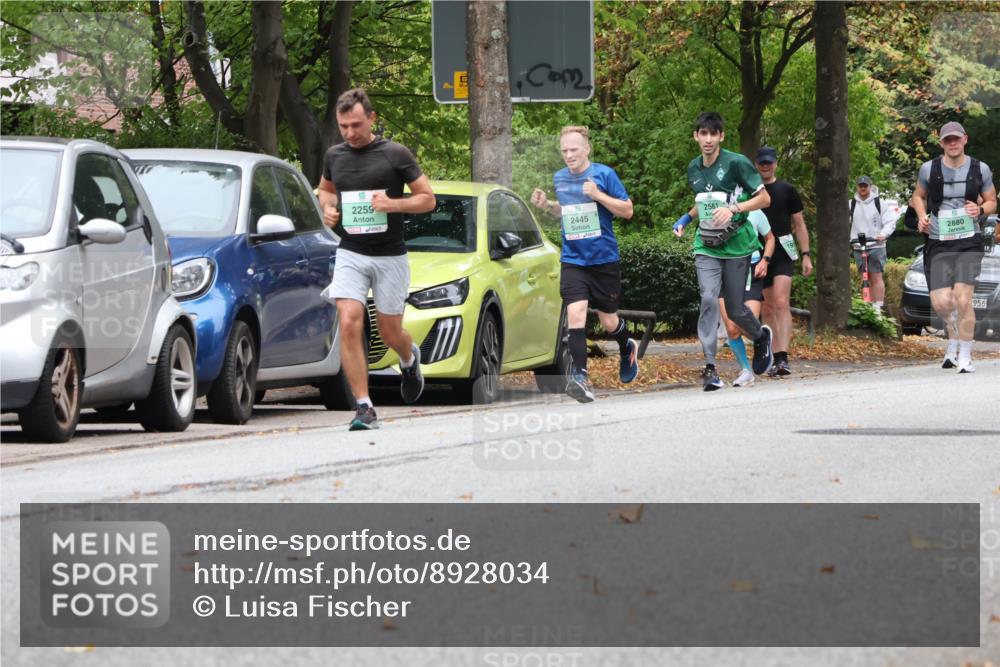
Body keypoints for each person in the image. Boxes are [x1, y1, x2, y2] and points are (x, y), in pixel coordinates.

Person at [318, 88, 436, 430]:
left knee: (389, 332)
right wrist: (327, 208)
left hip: (390, 255)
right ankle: (364, 406)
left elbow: (427, 199)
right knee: (350, 319)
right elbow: (325, 188)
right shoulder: (334, 156)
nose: (350, 133)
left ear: (371, 119)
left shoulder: (395, 154)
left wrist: (393, 204)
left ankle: (409, 357)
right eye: (344, 127)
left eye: (356, 124)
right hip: (351, 252)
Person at [531, 125, 637, 403]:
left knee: (608, 320)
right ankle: (580, 377)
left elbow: (628, 210)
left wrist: (599, 195)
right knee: (575, 314)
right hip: (573, 259)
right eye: (564, 150)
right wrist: (547, 206)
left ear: (587, 149)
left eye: (574, 149)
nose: (569, 155)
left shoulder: (604, 174)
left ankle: (627, 346)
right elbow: (565, 211)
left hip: (603, 260)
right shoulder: (560, 178)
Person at [673, 112, 774, 391]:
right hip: (706, 245)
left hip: (737, 245)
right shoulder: (694, 168)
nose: (707, 139)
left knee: (735, 310)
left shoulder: (736, 163)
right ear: (695, 136)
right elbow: (703, 203)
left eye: (712, 134)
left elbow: (765, 199)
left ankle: (761, 337)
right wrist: (685, 219)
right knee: (707, 298)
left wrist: (733, 209)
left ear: (721, 136)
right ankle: (710, 368)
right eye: (702, 134)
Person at [910, 121, 996, 373]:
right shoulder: (928, 169)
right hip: (938, 241)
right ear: (941, 143)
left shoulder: (980, 168)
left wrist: (979, 209)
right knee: (942, 303)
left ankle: (966, 356)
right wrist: (922, 216)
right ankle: (953, 333)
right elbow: (917, 195)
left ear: (965, 139)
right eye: (947, 140)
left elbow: (992, 201)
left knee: (962, 298)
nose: (953, 143)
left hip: (969, 240)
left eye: (956, 139)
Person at [755, 146, 812, 377]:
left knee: (780, 301)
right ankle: (771, 355)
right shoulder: (751, 191)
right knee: (767, 306)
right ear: (757, 164)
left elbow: (799, 223)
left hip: (783, 253)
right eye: (762, 163)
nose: (766, 166)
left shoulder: (787, 189)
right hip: (759, 254)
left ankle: (783, 357)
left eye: (769, 162)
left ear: (775, 164)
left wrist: (806, 253)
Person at [718, 209, 776, 388]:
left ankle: (761, 337)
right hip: (725, 268)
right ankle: (745, 371)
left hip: (751, 268)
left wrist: (765, 260)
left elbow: (770, 239)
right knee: (731, 328)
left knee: (744, 321)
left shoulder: (756, 212)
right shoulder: (717, 211)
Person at [849, 175, 897, 312]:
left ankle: (878, 307)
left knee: (876, 276)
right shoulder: (851, 204)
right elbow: (843, 223)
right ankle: (867, 307)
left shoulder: (879, 203)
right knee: (865, 277)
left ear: (870, 187)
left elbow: (890, 221)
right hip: (858, 245)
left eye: (865, 186)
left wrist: (883, 234)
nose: (863, 188)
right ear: (857, 187)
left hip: (876, 245)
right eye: (860, 186)